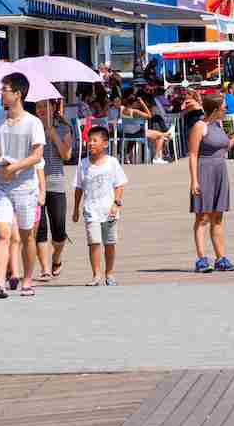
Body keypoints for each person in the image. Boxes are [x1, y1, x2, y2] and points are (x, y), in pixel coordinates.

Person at [0, 73, 45, 299]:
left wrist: (16, 167)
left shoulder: (33, 122)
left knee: (27, 236)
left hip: (26, 187)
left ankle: (27, 280)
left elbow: (37, 155)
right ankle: (0, 281)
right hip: (2, 186)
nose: (1, 93)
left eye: (5, 89)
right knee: (2, 231)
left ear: (18, 93)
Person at [188, 94, 234, 273]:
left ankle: (221, 258)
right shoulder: (200, 126)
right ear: (215, 109)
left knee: (218, 217)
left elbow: (224, 147)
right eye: (224, 106)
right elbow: (193, 154)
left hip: (220, 170)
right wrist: (194, 180)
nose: (226, 109)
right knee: (202, 217)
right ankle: (202, 258)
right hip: (204, 170)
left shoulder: (218, 125)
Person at [72, 126, 128, 286]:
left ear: (105, 143)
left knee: (110, 243)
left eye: (94, 140)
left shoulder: (112, 162)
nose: (91, 143)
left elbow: (120, 184)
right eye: (89, 140)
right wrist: (76, 209)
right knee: (94, 242)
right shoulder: (83, 164)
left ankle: (109, 273)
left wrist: (116, 203)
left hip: (109, 210)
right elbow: (78, 188)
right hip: (91, 210)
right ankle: (96, 274)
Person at [35, 99, 72, 279]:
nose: (42, 110)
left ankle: (56, 257)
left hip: (56, 184)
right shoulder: (31, 127)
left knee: (59, 230)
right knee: (40, 229)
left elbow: (67, 155)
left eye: (45, 106)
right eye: (39, 106)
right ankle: (44, 269)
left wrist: (52, 134)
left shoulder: (63, 127)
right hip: (34, 186)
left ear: (53, 107)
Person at [120, 94, 170, 164]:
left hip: (126, 134)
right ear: (134, 103)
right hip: (137, 133)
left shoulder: (121, 109)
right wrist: (143, 103)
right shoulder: (135, 111)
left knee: (159, 134)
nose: (138, 105)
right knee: (161, 136)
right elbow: (149, 116)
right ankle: (156, 158)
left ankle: (126, 156)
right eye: (137, 103)